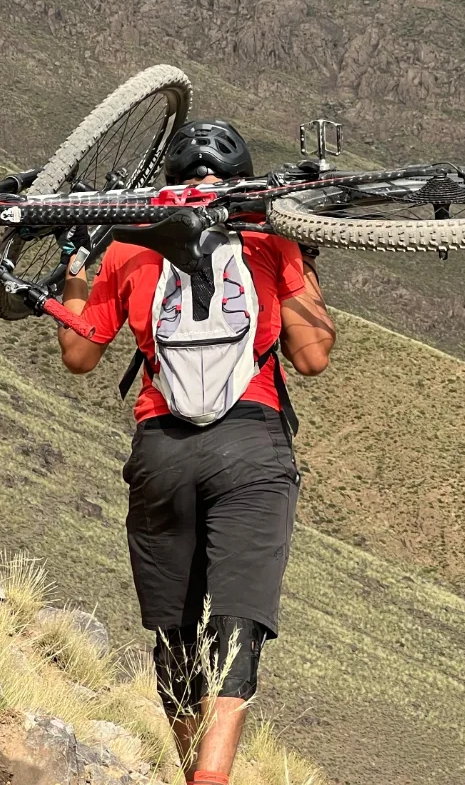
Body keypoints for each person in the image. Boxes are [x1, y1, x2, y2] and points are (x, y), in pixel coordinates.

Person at [56, 119, 335, 785]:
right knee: (238, 622)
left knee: (176, 632)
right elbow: (312, 357)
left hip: (163, 450)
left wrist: (74, 278)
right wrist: (304, 265)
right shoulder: (266, 238)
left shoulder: (130, 243)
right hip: (252, 444)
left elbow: (80, 355)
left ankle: (190, 773)